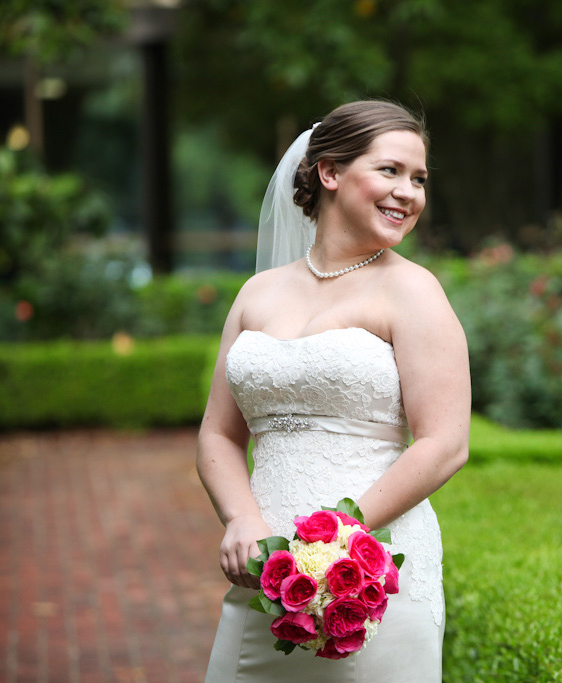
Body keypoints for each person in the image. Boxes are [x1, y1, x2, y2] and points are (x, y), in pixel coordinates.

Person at [198, 100, 470, 682]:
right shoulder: (257, 294)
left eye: (419, 179)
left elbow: (444, 442)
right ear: (330, 173)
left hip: (369, 575)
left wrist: (341, 536)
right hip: (266, 576)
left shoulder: (414, 293)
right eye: (390, 171)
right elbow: (218, 434)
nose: (409, 193)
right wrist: (241, 520)